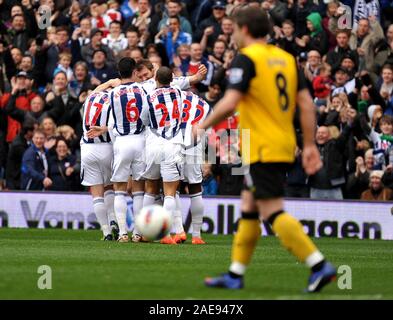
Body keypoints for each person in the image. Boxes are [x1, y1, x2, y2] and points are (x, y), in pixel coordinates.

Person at [193, 8, 336, 292]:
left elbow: (231, 101)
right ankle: (236, 273)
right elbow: (306, 105)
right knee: (248, 207)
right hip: (283, 143)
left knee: (271, 211)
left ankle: (319, 265)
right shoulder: (287, 60)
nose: (231, 32)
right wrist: (308, 145)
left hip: (262, 147)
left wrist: (204, 124)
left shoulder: (246, 59)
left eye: (233, 27)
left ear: (244, 29)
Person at [89, 58, 149, 243]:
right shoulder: (144, 89)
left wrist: (108, 83)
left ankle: (123, 233)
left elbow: (93, 96)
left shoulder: (112, 93)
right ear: (135, 71)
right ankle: (138, 233)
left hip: (122, 142)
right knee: (139, 190)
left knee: (120, 190)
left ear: (118, 72)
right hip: (140, 141)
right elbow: (147, 116)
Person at [143, 66, 185, 245]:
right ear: (171, 79)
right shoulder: (178, 92)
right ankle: (165, 234)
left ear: (155, 78)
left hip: (153, 143)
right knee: (170, 192)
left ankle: (143, 232)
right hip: (172, 144)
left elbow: (144, 119)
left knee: (150, 188)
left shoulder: (149, 96)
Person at [83, 79, 122, 241]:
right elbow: (117, 124)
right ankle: (113, 219)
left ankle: (106, 232)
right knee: (110, 187)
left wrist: (109, 83)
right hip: (106, 147)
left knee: (96, 194)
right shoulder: (114, 100)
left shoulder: (91, 97)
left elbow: (99, 88)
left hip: (87, 149)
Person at [179, 90, 212, 244]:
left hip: (174, 143)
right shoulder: (205, 105)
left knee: (170, 190)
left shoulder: (176, 97)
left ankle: (177, 231)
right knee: (195, 189)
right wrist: (208, 160)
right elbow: (210, 135)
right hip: (194, 146)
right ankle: (197, 236)